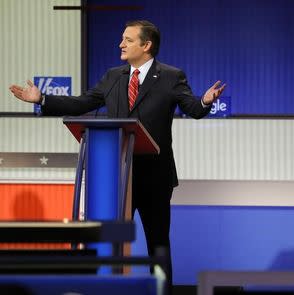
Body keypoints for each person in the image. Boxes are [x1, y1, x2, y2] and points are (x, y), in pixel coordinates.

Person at [9, 20, 225, 292]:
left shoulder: (171, 76)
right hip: (117, 175)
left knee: (157, 242)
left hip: (155, 178)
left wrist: (205, 101)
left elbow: (192, 107)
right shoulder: (114, 76)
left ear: (146, 46)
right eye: (122, 39)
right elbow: (82, 103)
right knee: (111, 240)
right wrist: (43, 100)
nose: (121, 44)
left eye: (128, 40)